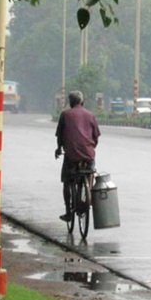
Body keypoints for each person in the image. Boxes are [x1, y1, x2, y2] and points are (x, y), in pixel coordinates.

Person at [55, 91, 101, 222]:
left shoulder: (65, 114)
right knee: (89, 173)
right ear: (82, 102)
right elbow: (96, 137)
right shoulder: (90, 115)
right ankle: (88, 196)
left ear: (70, 103)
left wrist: (59, 149)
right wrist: (90, 149)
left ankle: (68, 212)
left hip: (71, 156)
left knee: (67, 181)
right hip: (88, 155)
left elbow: (60, 136)